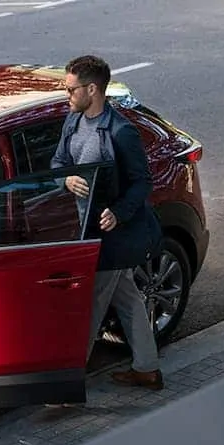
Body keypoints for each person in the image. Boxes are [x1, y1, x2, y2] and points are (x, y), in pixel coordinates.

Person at [51, 55, 165, 390]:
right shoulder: (72, 121)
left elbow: (142, 182)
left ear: (92, 89)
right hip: (85, 228)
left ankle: (66, 387)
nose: (67, 95)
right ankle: (147, 368)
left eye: (71, 89)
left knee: (91, 305)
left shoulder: (121, 132)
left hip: (113, 235)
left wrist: (118, 212)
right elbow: (58, 161)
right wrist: (67, 178)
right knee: (127, 297)